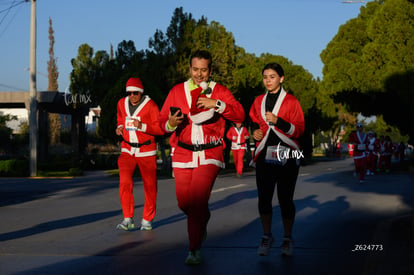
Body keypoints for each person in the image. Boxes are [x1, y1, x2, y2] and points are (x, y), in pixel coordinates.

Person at [159, 50, 245, 265]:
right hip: (183, 153)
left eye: (204, 70)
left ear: (210, 70)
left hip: (210, 153)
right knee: (184, 203)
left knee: (197, 202)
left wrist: (216, 104)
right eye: (195, 69)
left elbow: (239, 114)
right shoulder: (177, 91)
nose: (199, 74)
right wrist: (170, 123)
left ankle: (194, 249)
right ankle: (203, 219)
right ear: (189, 69)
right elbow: (162, 123)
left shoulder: (219, 91)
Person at [249, 63, 305, 257]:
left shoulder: (291, 102)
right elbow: (254, 122)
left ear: (281, 79)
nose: (268, 80)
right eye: (265, 76)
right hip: (265, 153)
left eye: (272, 76)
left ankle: (287, 238)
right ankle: (266, 235)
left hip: (288, 154)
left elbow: (299, 130)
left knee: (285, 198)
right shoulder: (258, 101)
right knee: (264, 198)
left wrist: (278, 121)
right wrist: (254, 132)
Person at [115, 77, 164, 231]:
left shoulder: (151, 106)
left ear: (141, 92)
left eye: (135, 93)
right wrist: (119, 127)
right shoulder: (121, 103)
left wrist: (141, 126)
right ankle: (128, 218)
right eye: (129, 93)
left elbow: (160, 129)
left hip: (146, 150)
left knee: (150, 186)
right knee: (124, 182)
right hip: (127, 149)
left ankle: (147, 219)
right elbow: (120, 119)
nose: (132, 96)